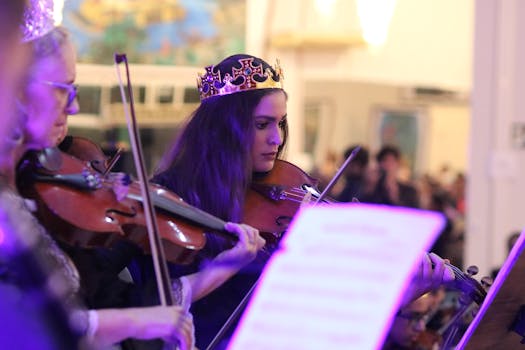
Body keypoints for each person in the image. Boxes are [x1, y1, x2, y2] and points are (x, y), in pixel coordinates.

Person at [152, 54, 454, 349]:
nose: (277, 139)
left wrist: (402, 293)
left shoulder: (287, 197)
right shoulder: (171, 198)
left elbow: (320, 317)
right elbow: (150, 303)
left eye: (280, 123)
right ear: (222, 129)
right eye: (261, 124)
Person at [7, 7, 263, 348]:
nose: (73, 107)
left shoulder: (38, 198)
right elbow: (23, 324)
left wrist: (222, 267)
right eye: (62, 88)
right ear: (15, 87)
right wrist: (133, 322)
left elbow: (116, 299)